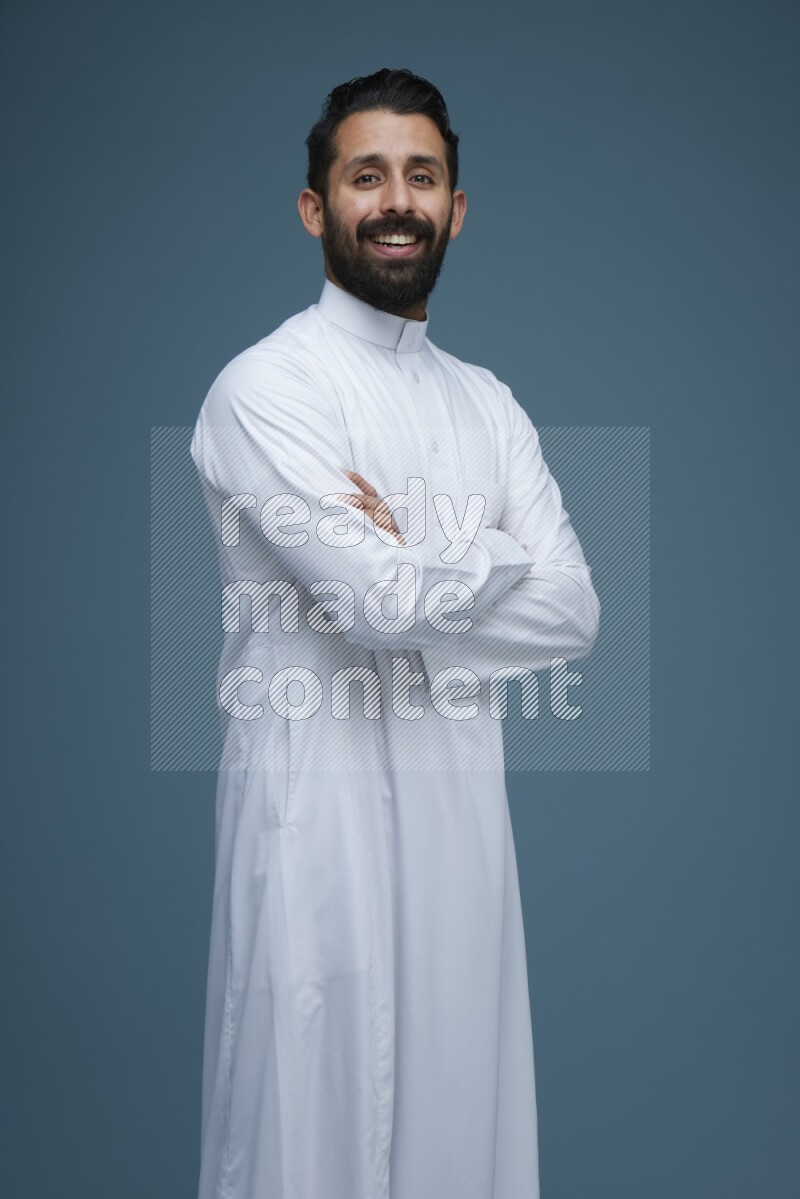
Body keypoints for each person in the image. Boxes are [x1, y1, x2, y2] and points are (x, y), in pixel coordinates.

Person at [190, 66, 600, 1199]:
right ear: (316, 207)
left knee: (457, 1129)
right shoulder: (264, 389)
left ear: (455, 207)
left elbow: (573, 608)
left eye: (421, 175)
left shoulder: (488, 403)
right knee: (302, 1124)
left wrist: (415, 563)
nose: (397, 199)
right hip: (309, 815)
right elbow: (372, 602)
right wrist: (486, 555)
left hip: (459, 824)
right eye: (366, 175)